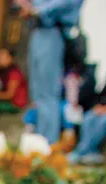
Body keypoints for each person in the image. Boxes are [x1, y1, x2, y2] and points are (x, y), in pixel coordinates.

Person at [19, 0, 84, 146]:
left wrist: (37, 9)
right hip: (36, 30)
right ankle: (37, 142)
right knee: (37, 93)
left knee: (48, 92)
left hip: (53, 31)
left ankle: (47, 144)